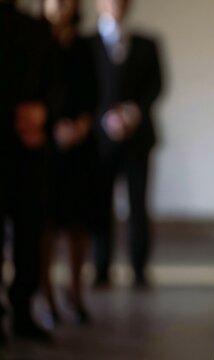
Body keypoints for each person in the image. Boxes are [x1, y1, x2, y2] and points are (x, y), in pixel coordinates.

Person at [90, 0, 162, 288]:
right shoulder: (88, 44)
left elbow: (157, 84)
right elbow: (84, 87)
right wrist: (104, 118)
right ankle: (100, 268)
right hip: (99, 140)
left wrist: (131, 114)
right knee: (99, 204)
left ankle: (139, 268)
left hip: (138, 138)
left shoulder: (147, 43)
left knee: (138, 205)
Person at [0, 0, 56, 341]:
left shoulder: (36, 29)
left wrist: (43, 114)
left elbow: (53, 81)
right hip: (11, 138)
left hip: (28, 150)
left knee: (29, 233)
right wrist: (16, 116)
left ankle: (22, 310)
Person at [41, 0, 97, 324]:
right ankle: (46, 294)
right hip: (46, 146)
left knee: (78, 223)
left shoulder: (84, 45)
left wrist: (82, 125)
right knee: (45, 224)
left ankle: (75, 292)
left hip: (81, 146)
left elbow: (94, 90)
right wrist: (53, 126)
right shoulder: (34, 39)